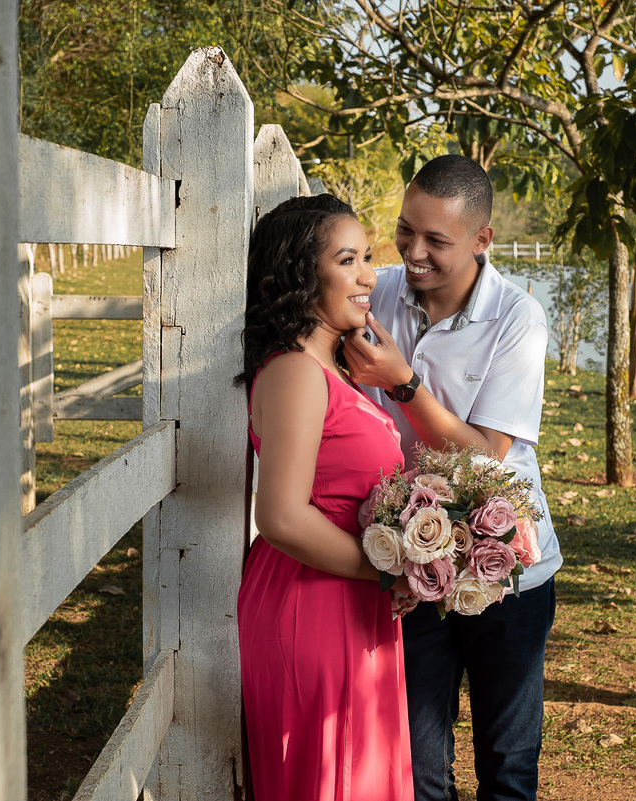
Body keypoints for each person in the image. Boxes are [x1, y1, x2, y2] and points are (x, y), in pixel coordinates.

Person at [343, 154, 562, 801]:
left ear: (481, 240)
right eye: (405, 230)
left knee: (507, 766)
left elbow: (486, 458)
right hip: (410, 561)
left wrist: (401, 383)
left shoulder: (517, 318)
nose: (413, 251)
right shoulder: (376, 292)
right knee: (415, 768)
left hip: (508, 568)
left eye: (436, 239)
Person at [235, 193, 414, 801]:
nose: (368, 275)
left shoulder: (334, 368)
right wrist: (387, 570)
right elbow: (282, 516)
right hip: (311, 601)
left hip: (352, 597)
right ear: (299, 274)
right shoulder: (294, 372)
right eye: (348, 260)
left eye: (367, 256)